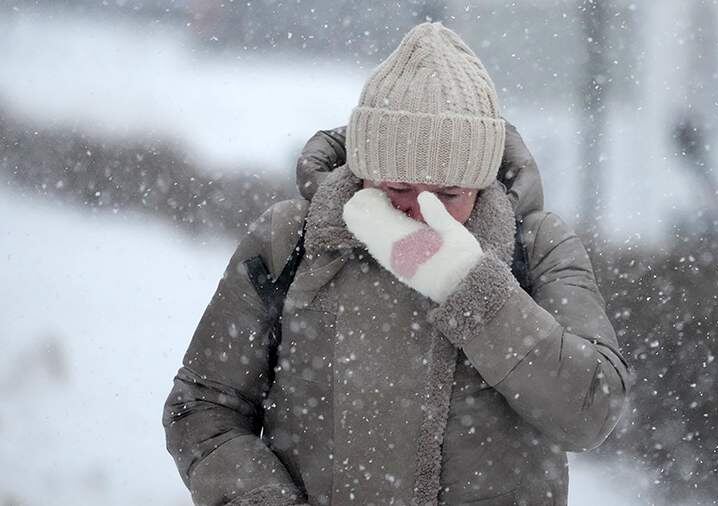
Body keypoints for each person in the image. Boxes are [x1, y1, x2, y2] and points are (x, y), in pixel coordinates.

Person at [163, 21, 633, 506]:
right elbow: (203, 408)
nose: (420, 210)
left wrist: (472, 288)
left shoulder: (535, 246)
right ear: (363, 173)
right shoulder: (291, 242)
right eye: (398, 188)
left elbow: (590, 412)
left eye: (448, 193)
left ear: (481, 182)